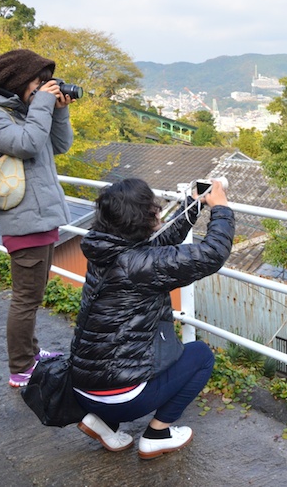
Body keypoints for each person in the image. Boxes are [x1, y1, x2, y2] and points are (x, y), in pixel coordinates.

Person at [70, 178, 235, 459]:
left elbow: (157, 247)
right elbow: (211, 254)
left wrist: (192, 207)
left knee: (118, 361)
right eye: (152, 207)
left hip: (82, 389)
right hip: (122, 397)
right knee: (201, 356)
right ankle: (157, 434)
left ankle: (102, 422)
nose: (158, 210)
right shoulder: (139, 265)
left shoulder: (103, 251)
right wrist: (221, 207)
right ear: (141, 217)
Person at [0, 49, 75, 387]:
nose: (43, 88)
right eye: (38, 82)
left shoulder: (25, 113)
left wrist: (58, 112)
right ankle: (21, 367)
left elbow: (59, 145)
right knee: (25, 299)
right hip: (25, 222)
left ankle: (31, 354)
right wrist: (42, 107)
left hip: (42, 218)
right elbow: (29, 145)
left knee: (32, 297)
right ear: (18, 82)